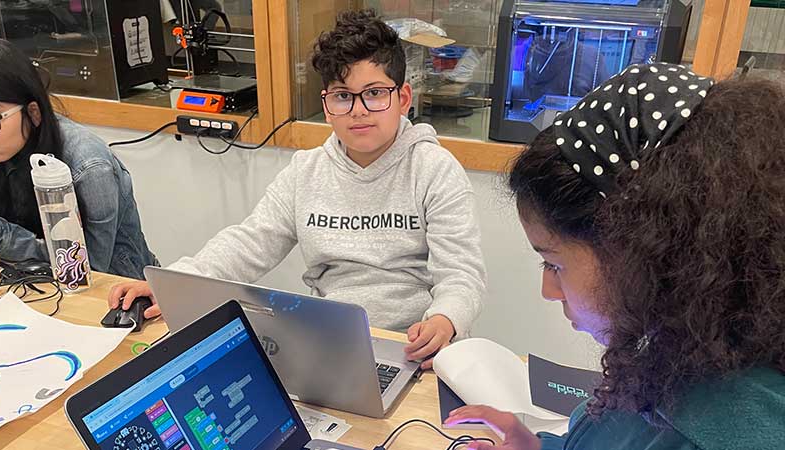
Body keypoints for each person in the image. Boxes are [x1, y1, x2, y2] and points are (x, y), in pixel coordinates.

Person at [108, 10, 486, 369]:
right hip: (329, 342)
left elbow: (461, 276)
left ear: (402, 99)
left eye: (373, 93)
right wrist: (173, 284)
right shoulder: (306, 172)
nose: (358, 110)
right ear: (326, 106)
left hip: (412, 347)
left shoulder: (435, 170)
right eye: (342, 95)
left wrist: (444, 319)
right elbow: (249, 243)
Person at [446, 64, 785, 449]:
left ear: (643, 253)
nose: (548, 290)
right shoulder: (690, 349)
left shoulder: (704, 432)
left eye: (554, 264)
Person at [0, 37, 158, 280]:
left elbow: (86, 267)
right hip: (28, 280)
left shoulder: (89, 166)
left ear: (33, 112)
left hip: (115, 290)